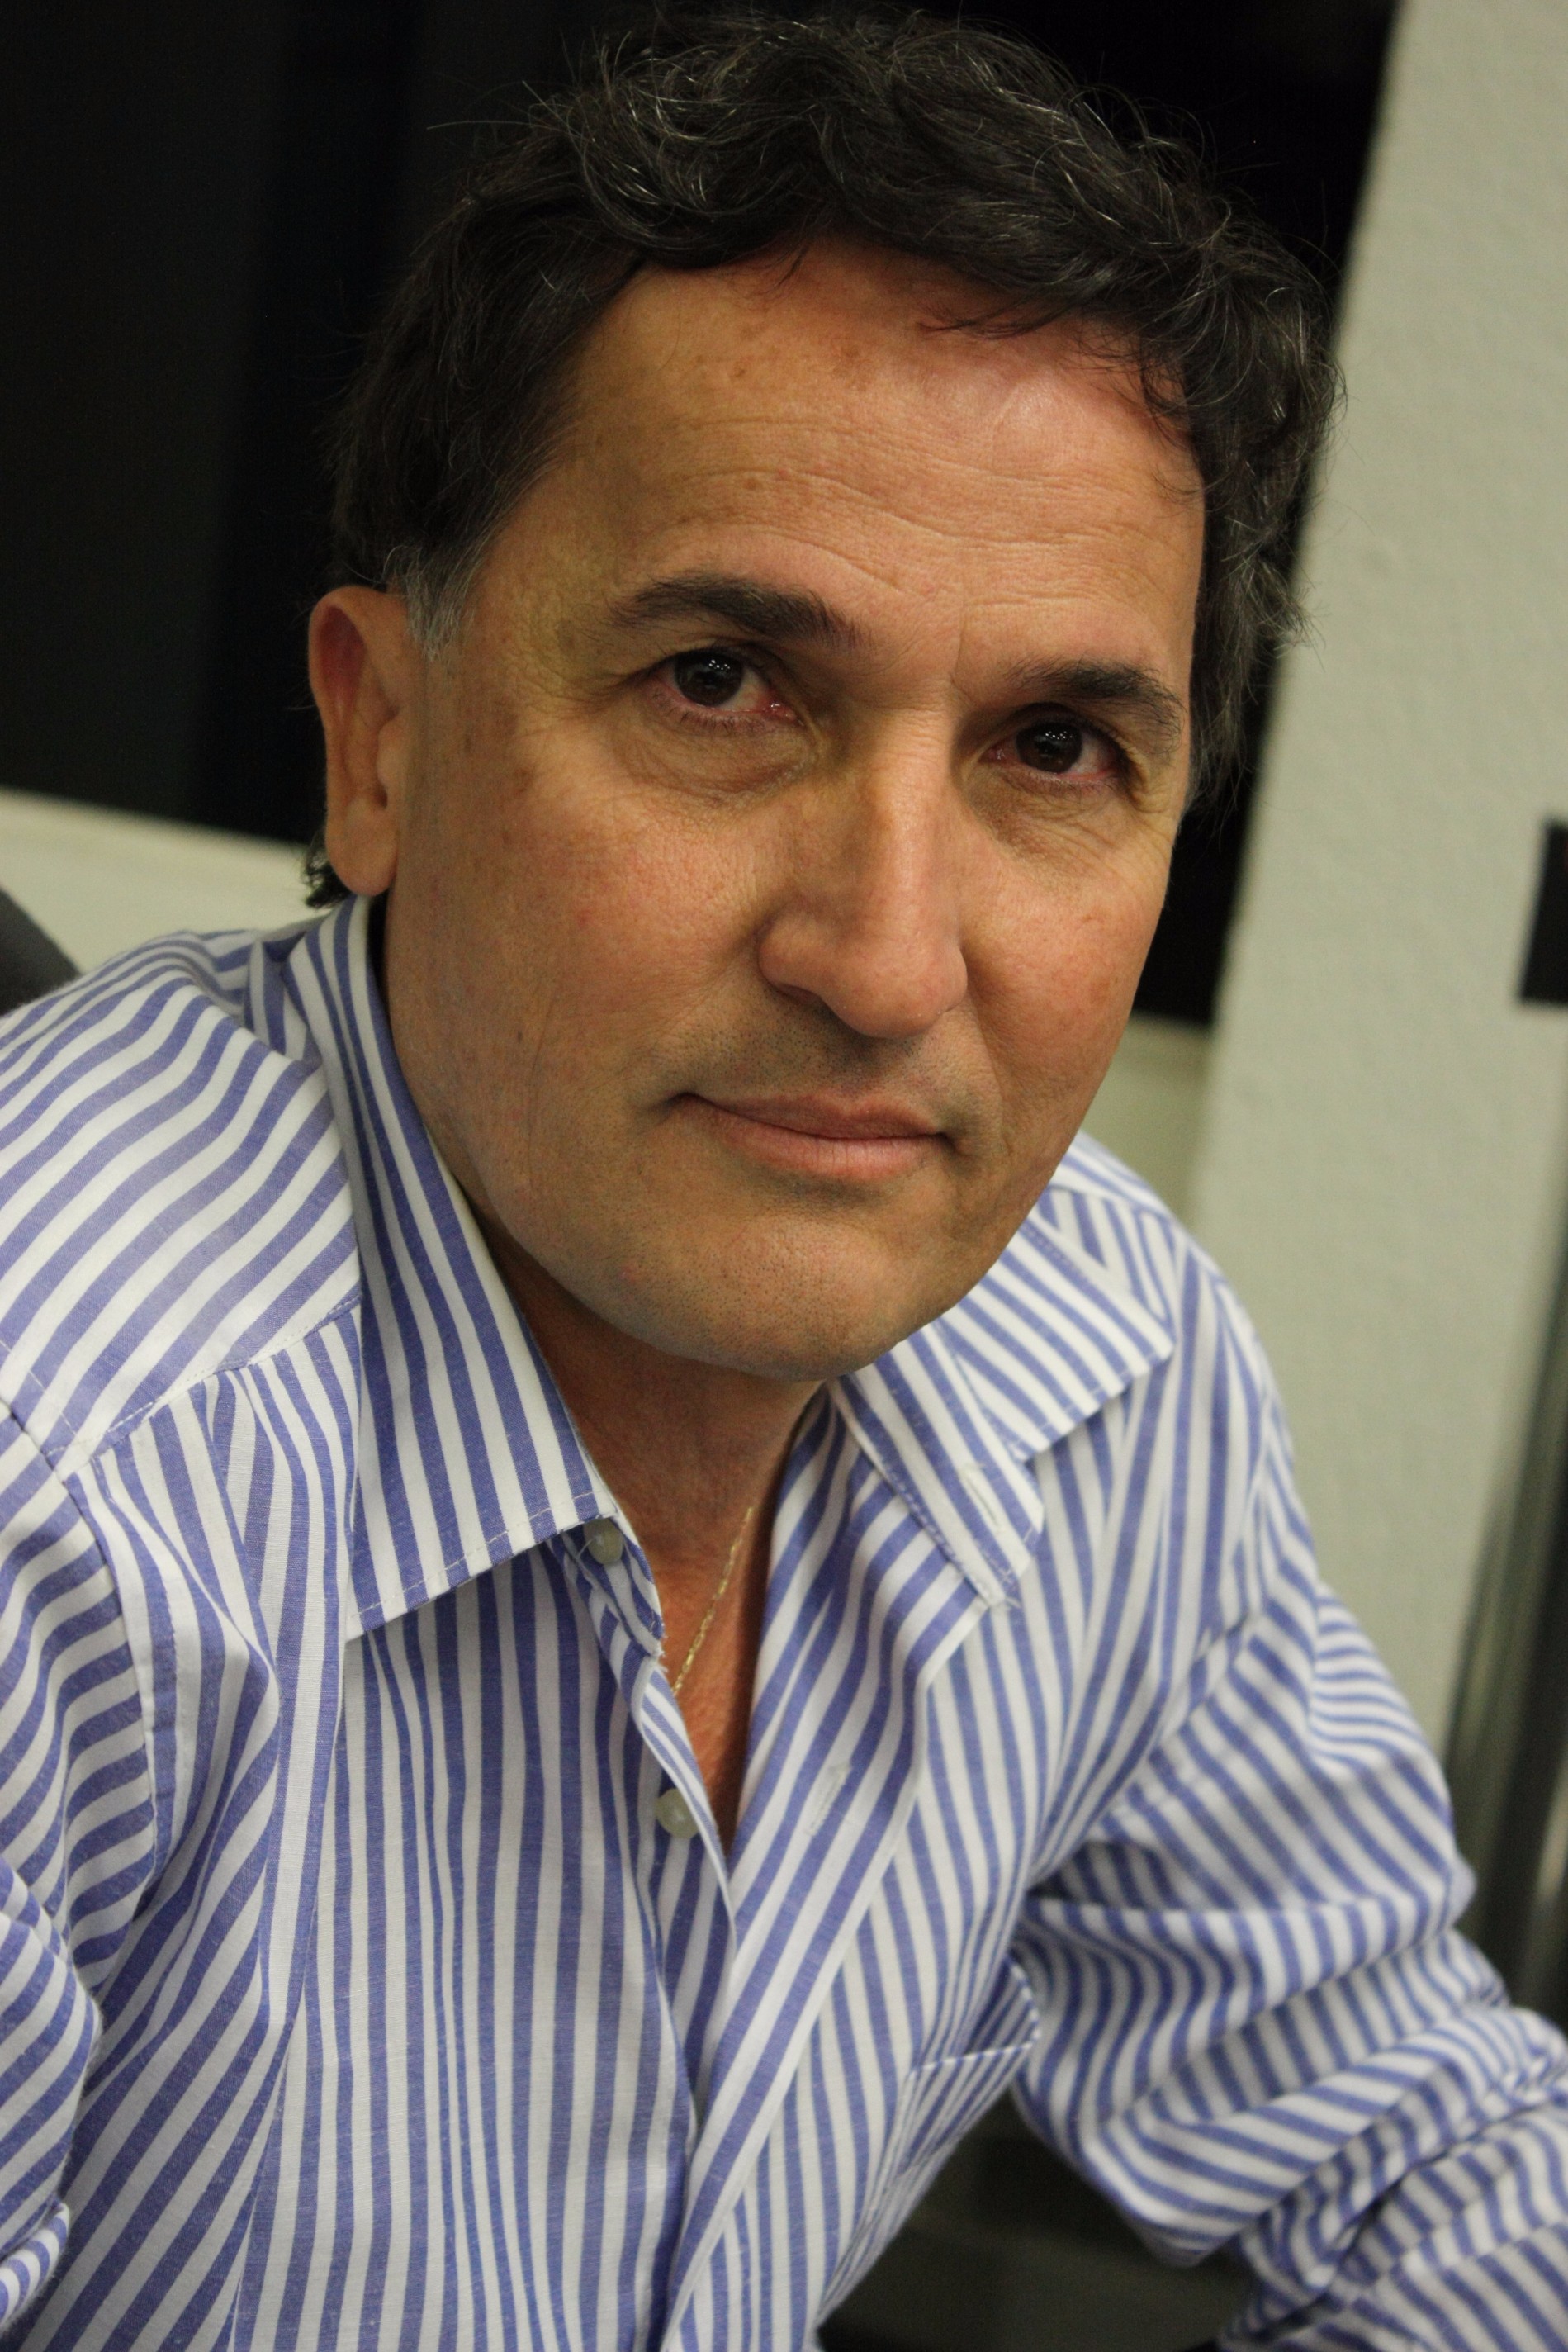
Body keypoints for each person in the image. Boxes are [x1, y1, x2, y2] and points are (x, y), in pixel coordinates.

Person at [0, 12, 1564, 2349]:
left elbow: (1428, 2155)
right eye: (723, 684)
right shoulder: (60, 1490)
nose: (887, 959)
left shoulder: (1101, 1364)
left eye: (1054, 746)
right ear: (379, 737)